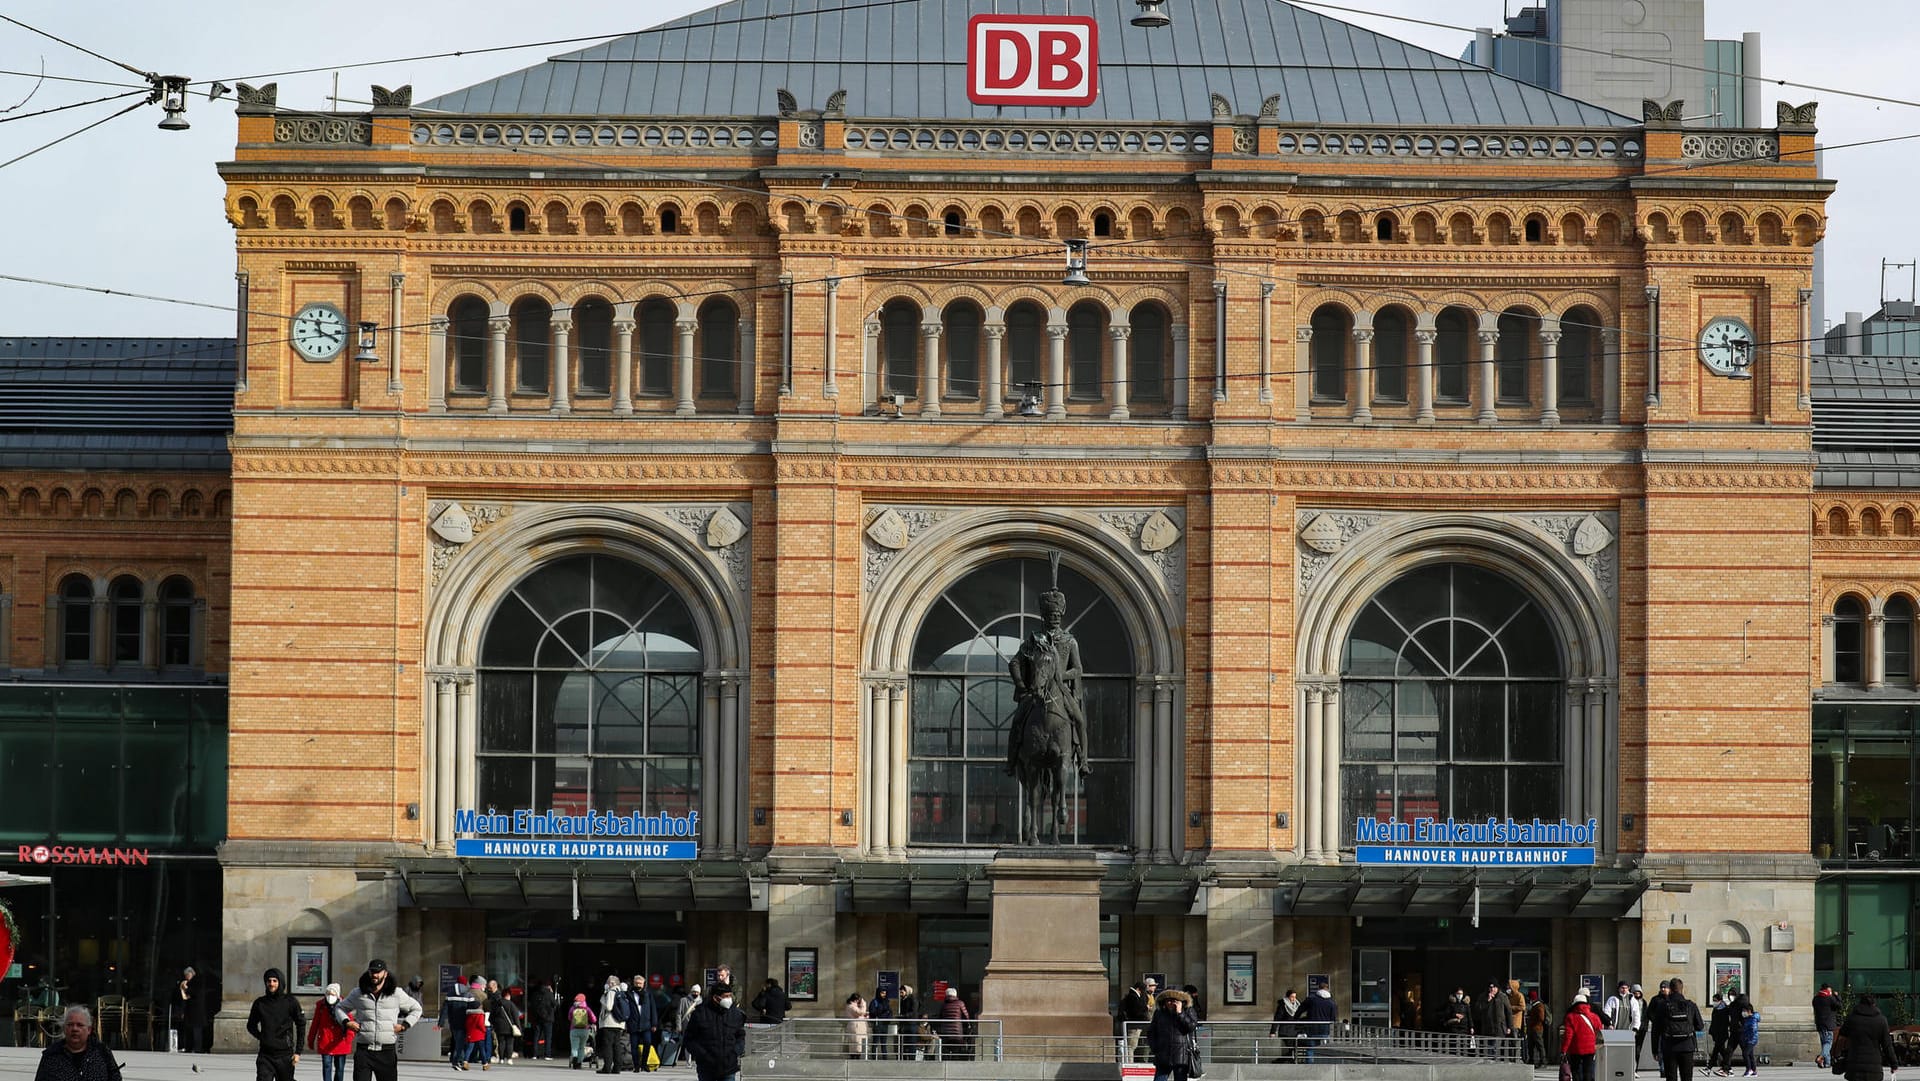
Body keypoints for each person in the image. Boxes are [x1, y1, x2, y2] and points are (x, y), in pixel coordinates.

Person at [342, 958, 423, 1081]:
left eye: (378, 972)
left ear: (385, 973)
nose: (375, 975)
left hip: (386, 1051)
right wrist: (347, 1022)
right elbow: (339, 1008)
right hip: (364, 1051)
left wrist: (405, 1025)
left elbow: (416, 1008)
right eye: (372, 972)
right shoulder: (358, 993)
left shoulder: (396, 993)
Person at [246, 967, 307, 1081]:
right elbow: (250, 1025)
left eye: (275, 981)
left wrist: (298, 1052)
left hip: (285, 1055)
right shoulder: (260, 1003)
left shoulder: (290, 1002)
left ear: (280, 982)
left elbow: (301, 1024)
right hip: (265, 1055)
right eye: (269, 981)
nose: (271, 984)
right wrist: (262, 1037)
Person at [35, 1005, 123, 1081]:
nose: (75, 1029)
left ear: (89, 1030)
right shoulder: (51, 1055)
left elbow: (116, 1078)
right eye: (70, 1025)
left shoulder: (102, 1052)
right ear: (64, 1029)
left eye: (80, 1025)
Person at [681, 982, 745, 1081]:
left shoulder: (735, 1014)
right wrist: (703, 1055)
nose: (729, 999)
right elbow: (689, 1039)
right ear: (715, 998)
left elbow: (740, 1037)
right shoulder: (700, 1013)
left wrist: (735, 1052)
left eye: (730, 996)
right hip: (706, 1068)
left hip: (728, 1067)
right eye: (726, 996)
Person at [1834, 991, 1899, 1081]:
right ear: (1874, 1004)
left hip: (1854, 1066)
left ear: (1860, 1003)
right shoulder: (1881, 1020)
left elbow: (1842, 1036)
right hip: (1874, 1068)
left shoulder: (1852, 1018)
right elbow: (1887, 1045)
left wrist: (1836, 1056)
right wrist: (1893, 1064)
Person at [1146, 988, 1197, 1081]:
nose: (1171, 1003)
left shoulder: (1188, 1010)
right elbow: (1151, 1032)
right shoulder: (1159, 1013)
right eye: (1168, 1000)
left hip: (1181, 1055)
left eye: (1174, 1001)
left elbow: (1191, 1027)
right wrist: (1155, 1048)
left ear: (1180, 1002)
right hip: (1163, 1055)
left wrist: (1180, 1013)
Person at [1659, 978, 1704, 1081]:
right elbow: (1700, 1026)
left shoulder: (1663, 1005)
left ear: (1670, 989)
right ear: (1682, 989)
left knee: (1671, 1077)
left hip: (1669, 1046)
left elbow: (1656, 1029)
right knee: (1687, 1077)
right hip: (1687, 1046)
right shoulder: (1690, 1005)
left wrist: (1655, 1050)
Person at [308, 983, 355, 1081]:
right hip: (325, 1041)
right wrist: (310, 1040)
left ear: (337, 995)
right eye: (328, 993)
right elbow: (315, 1024)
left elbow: (350, 1024)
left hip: (341, 1042)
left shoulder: (344, 1006)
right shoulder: (321, 1006)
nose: (330, 996)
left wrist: (349, 1039)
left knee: (340, 1068)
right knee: (326, 1066)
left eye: (333, 994)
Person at [1560, 993, 1602, 1081]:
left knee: (1576, 1071)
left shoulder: (1570, 1017)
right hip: (1591, 1048)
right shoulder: (1594, 1016)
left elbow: (1568, 1035)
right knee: (1588, 1070)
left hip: (1576, 1049)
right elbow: (1600, 1031)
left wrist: (1564, 1050)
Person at [628, 973, 660, 1072]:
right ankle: (636, 1066)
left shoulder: (648, 994)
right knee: (634, 1046)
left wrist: (654, 1023)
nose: (638, 985)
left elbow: (653, 1009)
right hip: (634, 1023)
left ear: (643, 984)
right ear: (634, 983)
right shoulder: (629, 994)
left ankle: (644, 1064)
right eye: (637, 983)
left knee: (647, 1043)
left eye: (640, 983)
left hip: (646, 1024)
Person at [444, 977, 477, 1071]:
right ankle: (457, 1061)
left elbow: (445, 1009)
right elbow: (473, 1006)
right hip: (465, 1022)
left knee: (458, 1042)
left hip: (453, 1022)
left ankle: (459, 1061)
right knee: (461, 1043)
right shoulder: (468, 994)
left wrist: (441, 1022)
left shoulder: (450, 994)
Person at [598, 976, 629, 1075]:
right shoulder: (622, 992)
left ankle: (607, 1067)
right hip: (619, 1024)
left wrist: (602, 999)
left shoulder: (611, 991)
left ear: (611, 983)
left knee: (608, 1046)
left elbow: (609, 1007)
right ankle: (617, 1068)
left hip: (609, 1022)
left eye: (608, 982)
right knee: (617, 1046)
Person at [174, 965, 208, 1054]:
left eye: (187, 975)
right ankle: (189, 1047)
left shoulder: (197, 982)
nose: (186, 977)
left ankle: (197, 1048)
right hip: (189, 1011)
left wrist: (186, 989)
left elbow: (195, 993)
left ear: (191, 974)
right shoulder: (188, 982)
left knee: (197, 1031)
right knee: (189, 1030)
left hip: (197, 1011)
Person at [1302, 986, 1337, 1064]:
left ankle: (1309, 1066)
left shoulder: (1311, 999)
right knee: (1324, 1049)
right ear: (1328, 990)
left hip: (1312, 1029)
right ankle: (1322, 1066)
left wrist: (1296, 1019)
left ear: (1319, 989)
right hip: (1324, 1029)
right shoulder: (1331, 1002)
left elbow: (1300, 1009)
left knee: (1310, 1048)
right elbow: (1333, 1018)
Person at [936, 986, 972, 1061]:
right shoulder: (960, 1003)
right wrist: (968, 1025)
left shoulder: (944, 1005)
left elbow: (940, 1017)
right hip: (957, 1032)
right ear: (955, 995)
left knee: (947, 1049)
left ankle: (947, 1063)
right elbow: (966, 1016)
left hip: (946, 1033)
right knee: (957, 1050)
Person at [1121, 981, 1153, 1062]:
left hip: (1136, 1024)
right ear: (1139, 989)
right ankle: (1129, 1063)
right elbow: (1136, 1010)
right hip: (1134, 1025)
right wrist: (1146, 1007)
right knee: (1131, 1046)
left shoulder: (1133, 996)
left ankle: (1130, 1062)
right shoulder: (1133, 997)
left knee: (1132, 1046)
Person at [1271, 989, 1305, 1062]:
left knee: (1294, 1048)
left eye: (1295, 997)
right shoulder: (1283, 1006)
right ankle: (1281, 1061)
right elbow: (1277, 1018)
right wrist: (1273, 1031)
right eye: (1292, 997)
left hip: (1294, 1030)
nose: (1294, 999)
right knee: (1292, 1048)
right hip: (1285, 1031)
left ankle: (1284, 1061)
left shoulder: (1297, 1005)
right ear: (1287, 997)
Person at [463, 980, 491, 1070]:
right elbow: (480, 1024)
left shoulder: (468, 1014)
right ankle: (485, 1064)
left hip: (471, 1033)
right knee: (482, 1050)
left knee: (469, 1049)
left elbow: (467, 1024)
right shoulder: (480, 1014)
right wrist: (484, 1030)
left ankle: (465, 1062)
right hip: (479, 1034)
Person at [530, 980, 560, 1061]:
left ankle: (535, 1054)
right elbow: (555, 1004)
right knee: (548, 1037)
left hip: (537, 1018)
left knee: (536, 1036)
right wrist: (552, 994)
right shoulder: (549, 994)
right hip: (548, 1018)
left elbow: (532, 1005)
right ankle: (547, 1054)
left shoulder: (535, 994)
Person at [1814, 983, 1842, 1069]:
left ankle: (1827, 1063)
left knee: (1824, 1043)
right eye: (1830, 990)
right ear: (1827, 989)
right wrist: (1837, 996)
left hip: (1819, 1024)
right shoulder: (1830, 998)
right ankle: (1821, 1057)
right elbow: (1840, 1006)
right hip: (1828, 1025)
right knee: (1828, 1043)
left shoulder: (1816, 998)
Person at [566, 994, 597, 1071]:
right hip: (584, 1030)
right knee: (581, 1047)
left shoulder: (572, 1008)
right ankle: (579, 1063)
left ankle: (575, 1062)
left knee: (574, 1047)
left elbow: (569, 1018)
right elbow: (594, 1019)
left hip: (574, 1030)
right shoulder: (587, 1009)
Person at [1731, 995, 1760, 1078]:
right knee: (1750, 1055)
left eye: (1744, 1011)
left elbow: (1752, 1029)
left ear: (1749, 1011)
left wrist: (1742, 1029)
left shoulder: (1753, 1018)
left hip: (1752, 1039)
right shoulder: (1747, 1018)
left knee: (1745, 1053)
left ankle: (1749, 1069)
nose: (1743, 1012)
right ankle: (1754, 1071)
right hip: (1747, 1039)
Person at [1706, 993, 1733, 1076]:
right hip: (1716, 1033)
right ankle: (1729, 1068)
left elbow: (1725, 1023)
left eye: (1715, 1000)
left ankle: (1709, 1067)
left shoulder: (1724, 1009)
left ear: (1720, 1000)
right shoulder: (1716, 1008)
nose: (1714, 1002)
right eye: (1713, 1000)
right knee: (1722, 1051)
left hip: (1721, 1034)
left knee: (1716, 1051)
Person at [1525, 991, 1550, 1067]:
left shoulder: (1539, 1006)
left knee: (1539, 1045)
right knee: (1531, 1045)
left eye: (1529, 998)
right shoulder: (1534, 1006)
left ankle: (1543, 1061)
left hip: (1537, 1029)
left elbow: (1541, 1017)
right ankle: (1531, 1059)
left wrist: (1533, 1019)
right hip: (1533, 1028)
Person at [869, 988, 895, 1059]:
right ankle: (874, 1057)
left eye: (885, 993)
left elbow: (890, 1012)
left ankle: (885, 1058)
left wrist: (888, 1017)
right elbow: (872, 1012)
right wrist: (882, 1012)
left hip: (885, 1024)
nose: (884, 995)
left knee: (884, 1043)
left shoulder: (886, 1002)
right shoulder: (874, 1002)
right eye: (882, 993)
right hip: (877, 1024)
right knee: (875, 1042)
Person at [844, 992, 870, 1059]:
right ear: (856, 1000)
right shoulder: (851, 1006)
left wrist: (864, 1016)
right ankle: (855, 1057)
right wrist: (863, 1005)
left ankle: (856, 1056)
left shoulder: (853, 1006)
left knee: (858, 1045)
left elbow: (860, 1014)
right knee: (856, 1045)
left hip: (858, 1027)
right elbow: (860, 1012)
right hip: (856, 1027)